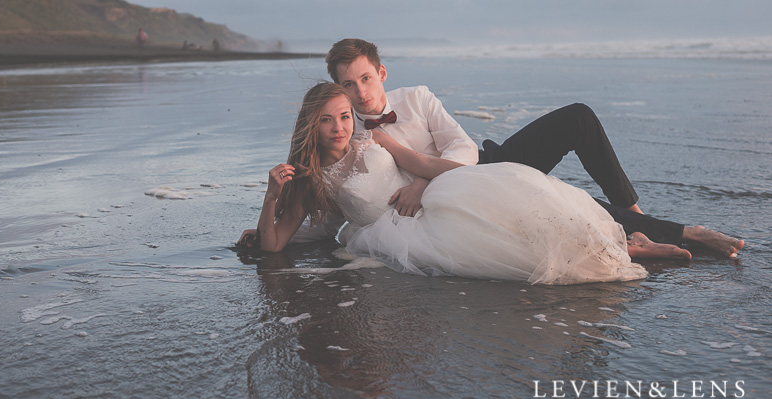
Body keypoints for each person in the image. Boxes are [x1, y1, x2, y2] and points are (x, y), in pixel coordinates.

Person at [240, 39, 743, 259]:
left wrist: (422, 181)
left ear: (382, 73)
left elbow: (460, 145)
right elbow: (331, 216)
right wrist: (275, 220)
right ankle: (656, 232)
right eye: (348, 86)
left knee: (578, 118)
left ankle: (631, 214)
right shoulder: (349, 137)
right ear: (336, 91)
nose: (360, 92)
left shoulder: (415, 99)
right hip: (445, 205)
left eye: (366, 79)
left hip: (479, 166)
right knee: (549, 204)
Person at [245, 83, 681, 284]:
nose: (339, 127)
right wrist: (271, 199)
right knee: (504, 248)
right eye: (327, 120)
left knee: (520, 201)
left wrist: (455, 178)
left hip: (432, 194)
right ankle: (622, 245)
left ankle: (625, 236)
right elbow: (275, 245)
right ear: (312, 126)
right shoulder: (309, 180)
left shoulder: (370, 137)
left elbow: (415, 162)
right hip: (395, 230)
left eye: (343, 116)